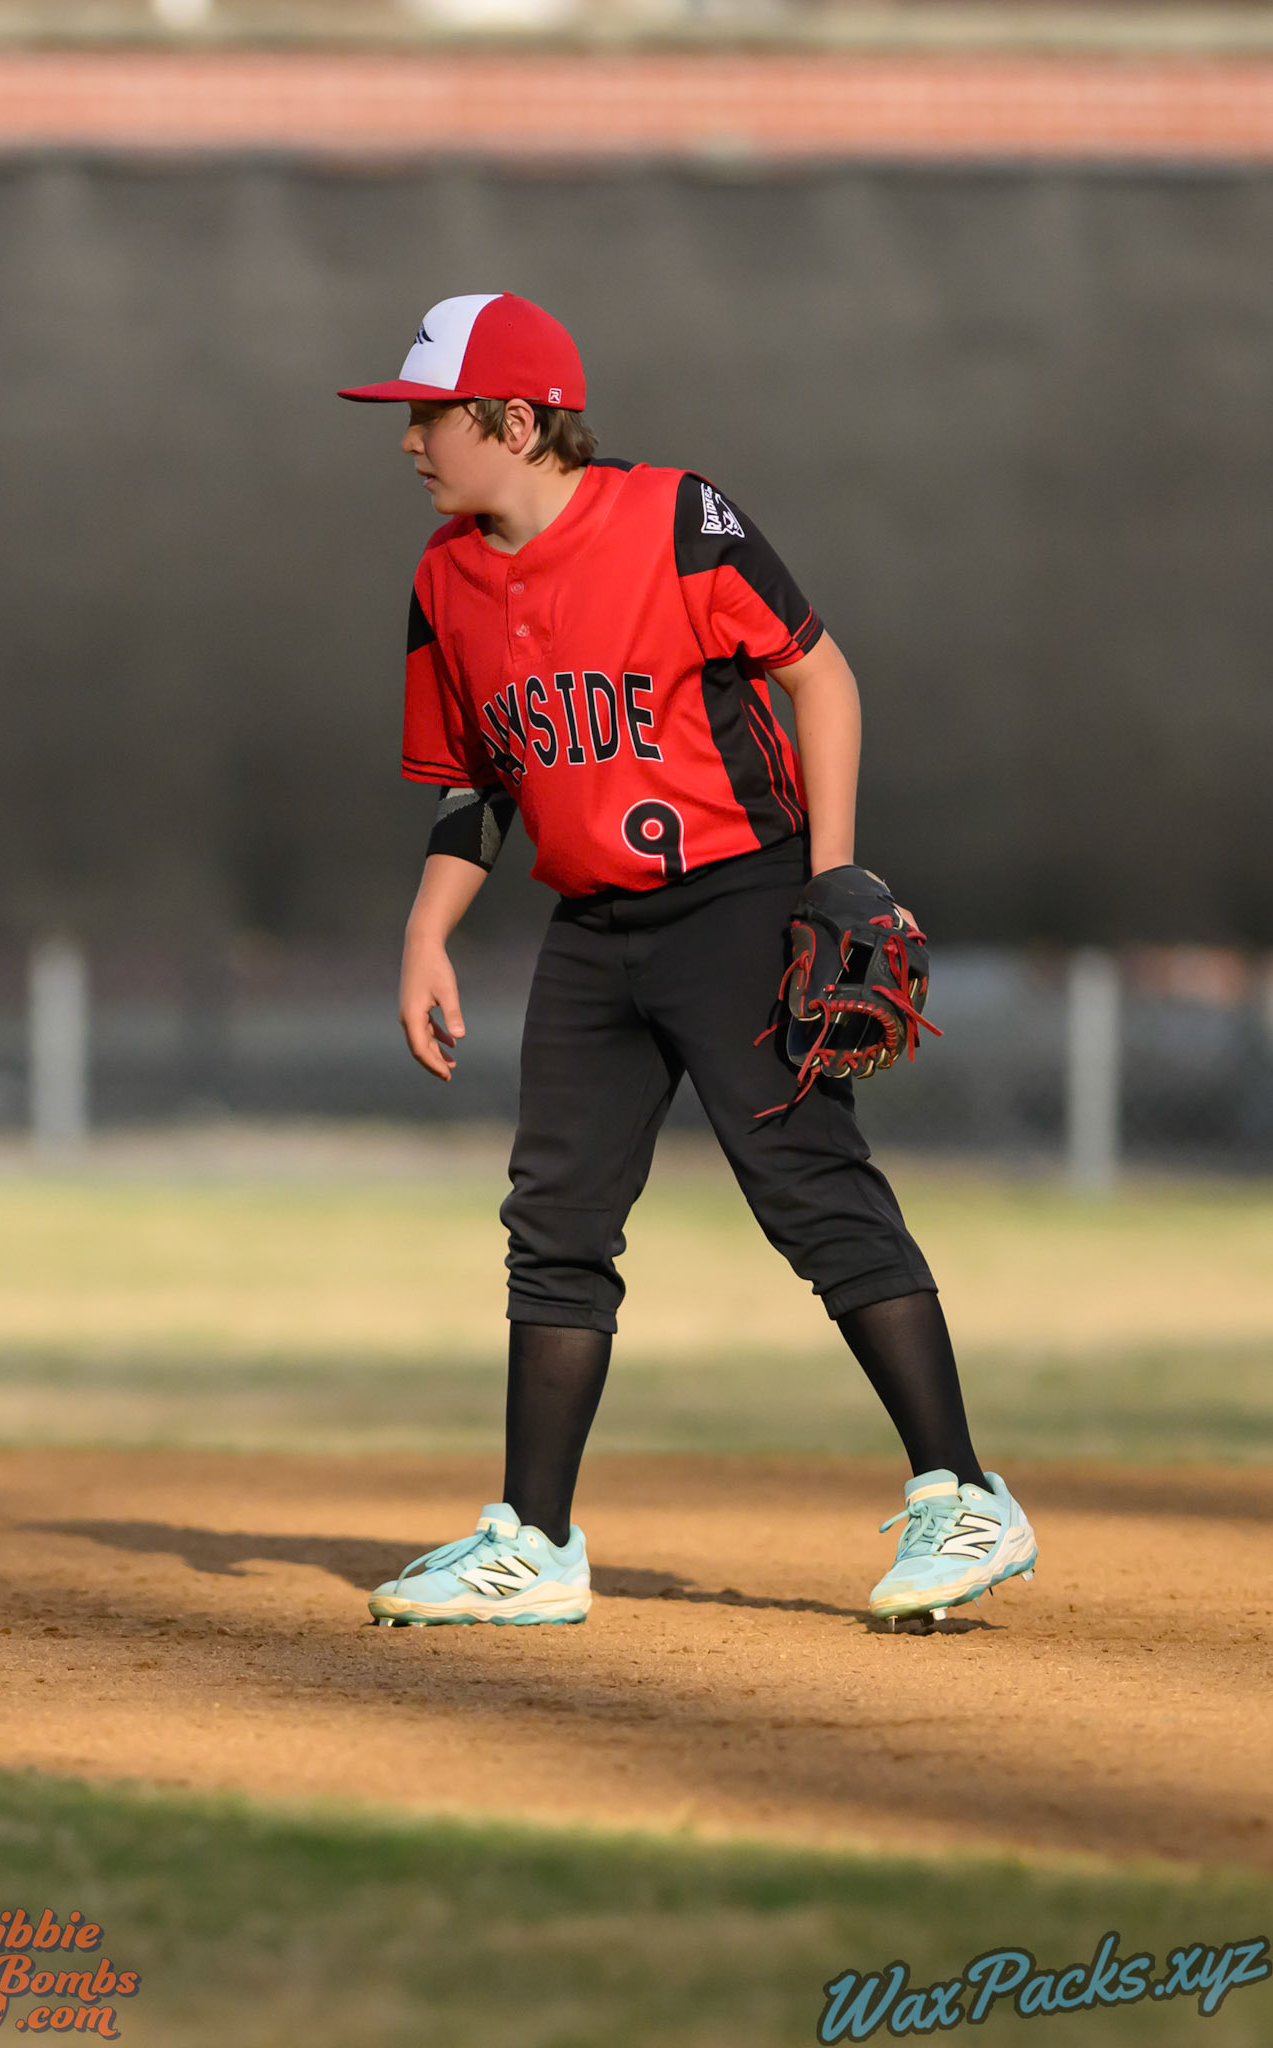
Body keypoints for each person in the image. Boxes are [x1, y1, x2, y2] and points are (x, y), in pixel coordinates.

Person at [339, 292, 1036, 1631]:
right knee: (551, 1226)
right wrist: (428, 930)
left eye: (431, 413)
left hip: (736, 902)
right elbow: (472, 785)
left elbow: (816, 677)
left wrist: (831, 878)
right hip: (589, 936)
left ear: (518, 418)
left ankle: (962, 1494)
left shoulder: (670, 517)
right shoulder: (446, 579)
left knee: (809, 1196)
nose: (412, 440)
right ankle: (534, 1542)